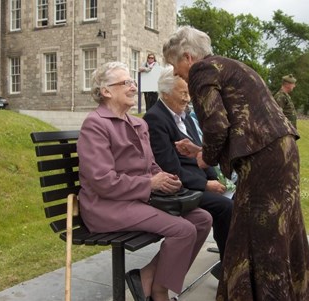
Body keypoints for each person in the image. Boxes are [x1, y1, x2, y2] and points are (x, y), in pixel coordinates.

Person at [163, 26, 309, 301]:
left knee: (260, 234)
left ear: (188, 57)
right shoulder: (229, 66)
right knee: (282, 227)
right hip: (280, 152)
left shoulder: (201, 71)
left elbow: (216, 125)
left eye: (173, 64)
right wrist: (202, 149)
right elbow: (240, 125)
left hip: (263, 161)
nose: (175, 72)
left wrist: (205, 157)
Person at [77, 61, 212, 301]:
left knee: (202, 219)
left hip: (138, 200)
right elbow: (101, 181)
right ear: (106, 91)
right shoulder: (95, 124)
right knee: (183, 230)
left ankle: (148, 275)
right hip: (106, 207)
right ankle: (159, 291)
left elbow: (150, 165)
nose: (133, 87)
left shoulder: (138, 123)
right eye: (125, 82)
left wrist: (166, 179)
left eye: (132, 82)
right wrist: (150, 184)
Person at [143, 66, 234, 280]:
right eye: (183, 93)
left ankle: (232, 261)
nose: (187, 98)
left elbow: (202, 154)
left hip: (195, 185)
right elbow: (169, 168)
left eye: (189, 93)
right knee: (225, 207)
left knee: (238, 199)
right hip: (178, 191)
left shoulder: (183, 118)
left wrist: (212, 177)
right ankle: (229, 269)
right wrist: (206, 186)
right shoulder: (155, 119)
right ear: (165, 93)